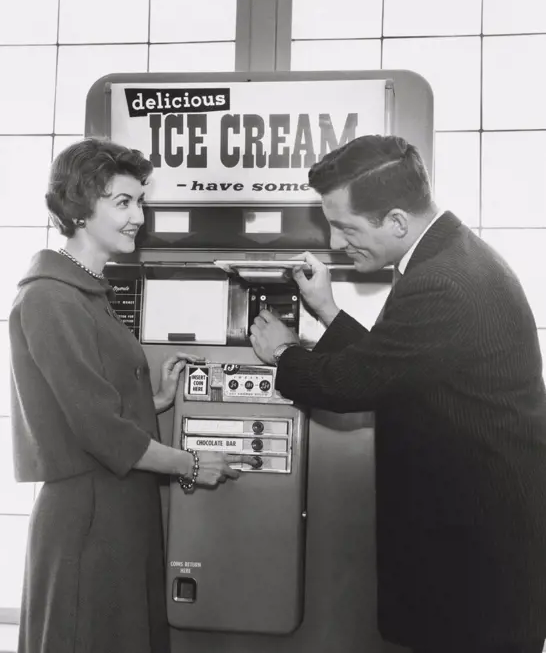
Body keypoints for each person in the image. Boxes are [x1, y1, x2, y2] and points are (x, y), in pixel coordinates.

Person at [249, 134, 546, 653]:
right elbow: (400, 366)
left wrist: (283, 353)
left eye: (345, 227)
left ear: (396, 222)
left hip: (474, 557)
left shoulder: (443, 282)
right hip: (479, 541)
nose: (339, 244)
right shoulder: (452, 257)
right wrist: (329, 311)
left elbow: (355, 384)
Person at [9, 137, 256, 653]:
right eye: (122, 202)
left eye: (140, 201)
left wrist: (155, 401)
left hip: (119, 507)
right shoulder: (50, 299)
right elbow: (97, 428)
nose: (137, 216)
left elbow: (86, 403)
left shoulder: (82, 292)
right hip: (91, 514)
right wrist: (190, 464)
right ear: (78, 209)